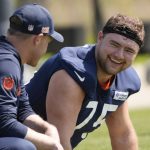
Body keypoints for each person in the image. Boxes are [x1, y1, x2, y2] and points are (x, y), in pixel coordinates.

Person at [26, 14, 145, 150]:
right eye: (114, 44)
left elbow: (123, 135)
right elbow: (57, 143)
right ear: (100, 37)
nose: (119, 55)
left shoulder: (123, 79)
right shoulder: (73, 72)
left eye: (129, 50)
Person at [0, 3, 64, 150]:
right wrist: (51, 144)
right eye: (49, 41)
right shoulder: (7, 63)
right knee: (23, 147)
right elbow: (4, 122)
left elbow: (22, 109)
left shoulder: (11, 58)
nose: (46, 47)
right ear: (38, 39)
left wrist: (47, 128)